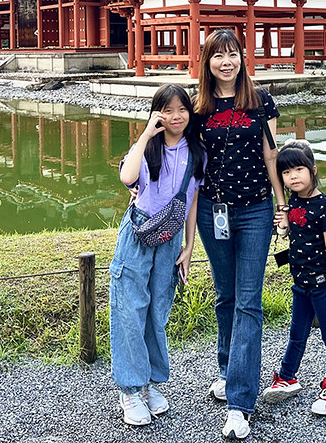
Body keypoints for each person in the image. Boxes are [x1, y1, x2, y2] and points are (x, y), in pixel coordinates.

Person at [193, 28, 287, 441]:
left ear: (243, 58)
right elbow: (180, 153)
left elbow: (271, 152)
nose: (227, 62)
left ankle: (240, 402)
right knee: (225, 295)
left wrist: (282, 203)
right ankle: (229, 370)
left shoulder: (260, 100)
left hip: (255, 211)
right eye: (219, 56)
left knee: (248, 301)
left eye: (233, 54)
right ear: (207, 62)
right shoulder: (197, 106)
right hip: (214, 211)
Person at [110, 84, 205, 427]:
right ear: (156, 112)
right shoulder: (147, 146)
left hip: (170, 239)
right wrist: (147, 132)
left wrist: (189, 247)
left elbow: (191, 203)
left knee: (157, 311)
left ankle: (150, 383)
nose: (175, 116)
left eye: (182, 109)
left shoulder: (197, 153)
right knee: (129, 309)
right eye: (167, 110)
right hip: (139, 232)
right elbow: (127, 176)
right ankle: (130, 390)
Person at [263, 140, 326, 416]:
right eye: (286, 172)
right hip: (301, 284)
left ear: (313, 171)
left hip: (325, 285)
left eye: (298, 170)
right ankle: (287, 376)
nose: (293, 176)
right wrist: (284, 226)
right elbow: (293, 231)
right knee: (296, 335)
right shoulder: (293, 201)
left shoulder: (325, 207)